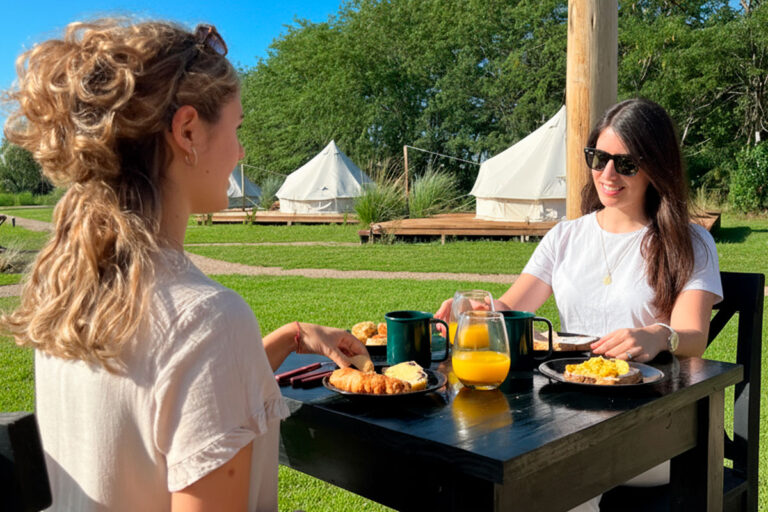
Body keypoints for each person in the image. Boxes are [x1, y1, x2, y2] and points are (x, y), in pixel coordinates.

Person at [0, 19, 367, 511]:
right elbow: (187, 360)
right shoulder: (206, 319)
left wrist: (290, 337)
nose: (241, 151)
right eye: (237, 128)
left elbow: (163, 399)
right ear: (188, 131)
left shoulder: (70, 293)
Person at [436, 98, 722, 510]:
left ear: (656, 167)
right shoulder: (566, 237)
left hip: (655, 424)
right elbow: (512, 306)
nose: (607, 174)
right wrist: (474, 311)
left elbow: (693, 336)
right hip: (568, 408)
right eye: (599, 158)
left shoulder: (690, 242)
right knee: (480, 456)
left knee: (546, 479)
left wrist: (658, 335)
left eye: (626, 164)